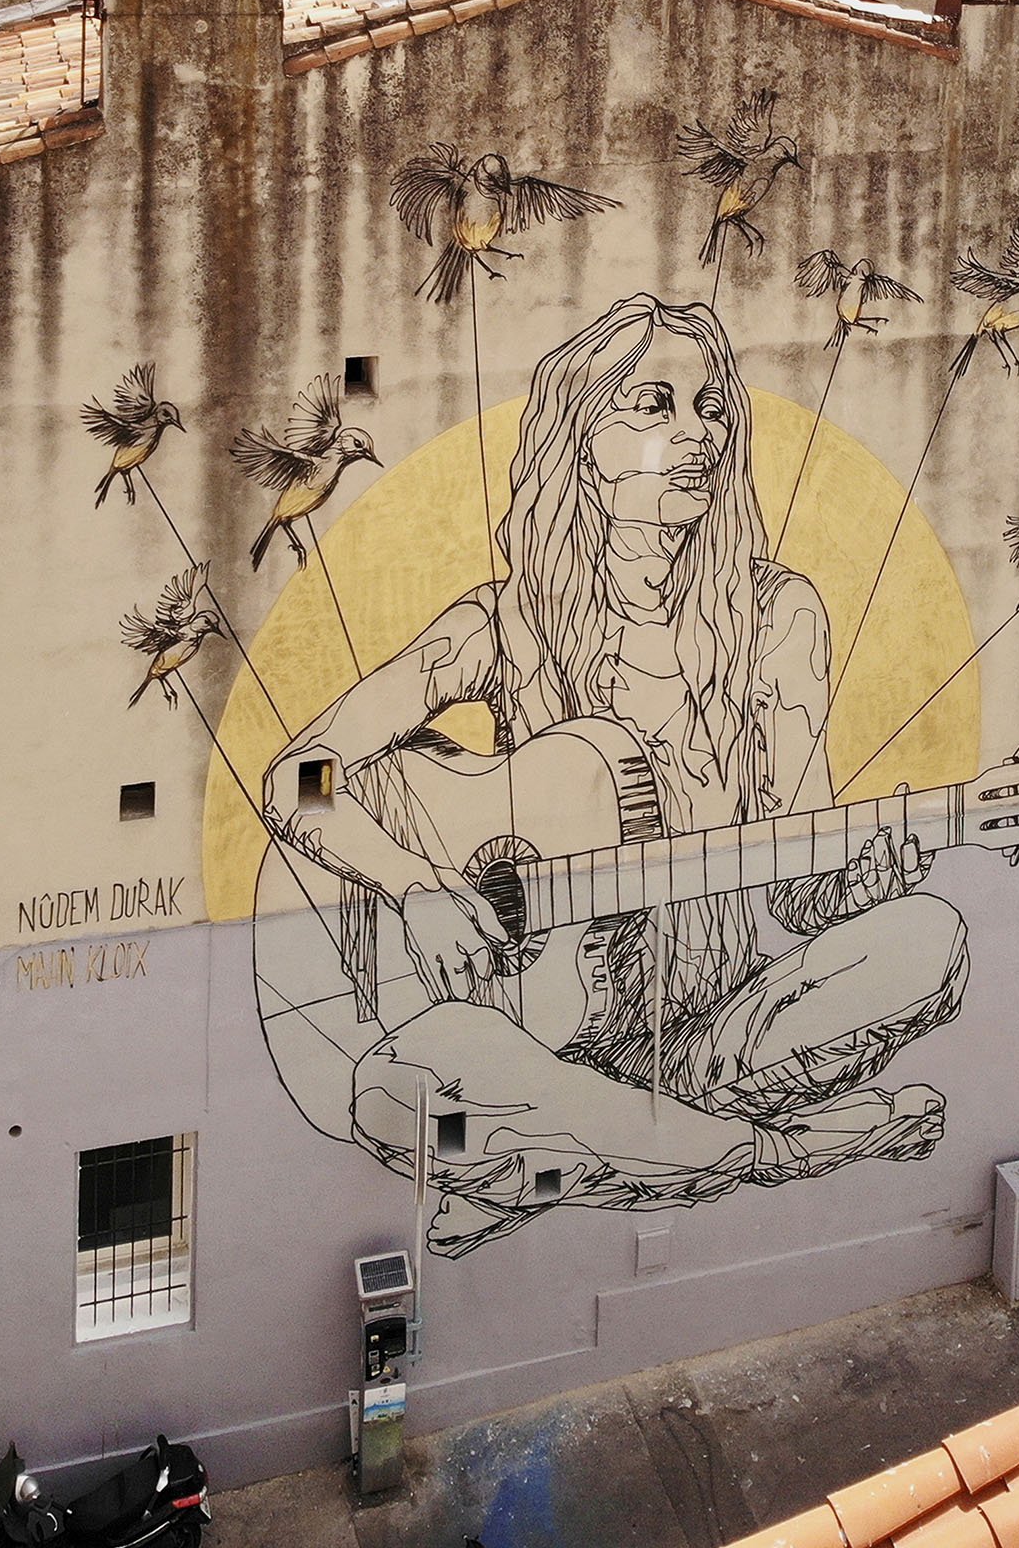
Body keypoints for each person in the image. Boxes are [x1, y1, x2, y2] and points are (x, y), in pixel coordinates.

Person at [258, 293, 967, 1255]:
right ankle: (766, 1152)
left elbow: (800, 890)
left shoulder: (780, 620)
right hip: (542, 1036)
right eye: (654, 404)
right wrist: (419, 888)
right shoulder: (503, 625)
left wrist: (862, 874)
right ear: (580, 442)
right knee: (398, 1089)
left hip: (714, 1026)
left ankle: (580, 1160)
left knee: (925, 940)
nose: (697, 434)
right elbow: (300, 773)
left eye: (712, 407)